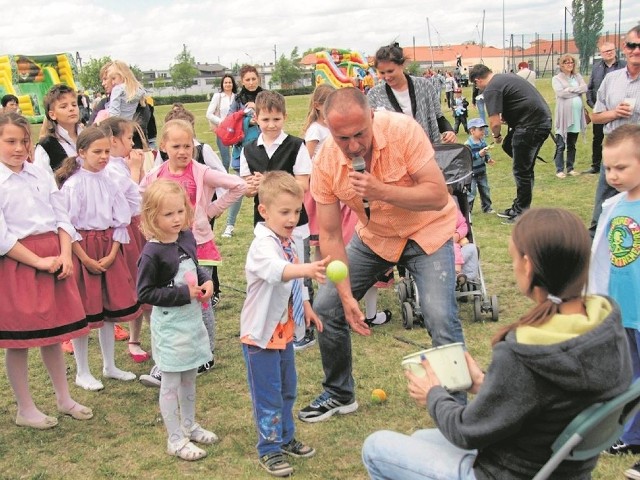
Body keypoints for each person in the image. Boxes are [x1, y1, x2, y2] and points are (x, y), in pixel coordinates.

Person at [362, 207, 632, 480]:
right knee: (421, 438)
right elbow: (544, 399)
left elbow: (465, 431)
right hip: (560, 469)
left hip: (504, 472)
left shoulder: (525, 352)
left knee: (376, 447)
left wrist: (433, 393)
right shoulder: (605, 323)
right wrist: (484, 382)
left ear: (528, 265)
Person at [298, 87, 465, 423]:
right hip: (377, 237)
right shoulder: (327, 160)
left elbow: (436, 195)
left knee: (439, 316)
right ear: (328, 129)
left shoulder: (403, 130)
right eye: (342, 137)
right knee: (328, 306)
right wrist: (345, 295)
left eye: (360, 133)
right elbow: (330, 234)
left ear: (371, 116)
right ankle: (339, 394)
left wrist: (381, 190)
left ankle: (457, 411)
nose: (354, 144)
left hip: (427, 231)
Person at [0, 112, 93, 429]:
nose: (18, 148)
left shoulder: (40, 173)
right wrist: (39, 262)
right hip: (20, 262)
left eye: (23, 141)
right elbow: (2, 237)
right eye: (10, 141)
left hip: (55, 258)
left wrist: (66, 254)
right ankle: (25, 409)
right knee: (20, 340)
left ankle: (64, 398)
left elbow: (62, 217)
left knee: (54, 335)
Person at [138, 119, 246, 387]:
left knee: (202, 299)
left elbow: (238, 185)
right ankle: (175, 355)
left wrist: (210, 211)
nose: (183, 151)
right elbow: (141, 197)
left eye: (188, 145)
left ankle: (206, 353)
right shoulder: (155, 176)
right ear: (163, 146)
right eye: (176, 146)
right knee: (175, 302)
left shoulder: (201, 172)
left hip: (198, 246)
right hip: (166, 248)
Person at [240, 171, 326, 477]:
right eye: (285, 212)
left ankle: (286, 438)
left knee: (288, 388)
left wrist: (306, 306)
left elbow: (294, 283)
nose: (293, 218)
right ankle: (269, 449)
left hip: (283, 332)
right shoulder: (263, 246)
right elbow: (281, 271)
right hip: (260, 336)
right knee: (268, 394)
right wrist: (307, 268)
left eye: (297, 211)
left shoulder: (289, 242)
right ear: (264, 211)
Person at [136, 179, 218, 461]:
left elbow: (195, 268)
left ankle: (189, 425)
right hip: (170, 327)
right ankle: (175, 439)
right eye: (168, 214)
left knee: (190, 377)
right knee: (170, 383)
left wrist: (206, 283)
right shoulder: (152, 252)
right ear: (151, 216)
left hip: (192, 321)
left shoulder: (185, 238)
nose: (176, 219)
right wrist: (183, 293)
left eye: (179, 211)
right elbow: (145, 292)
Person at [56, 127, 142, 392]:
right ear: (81, 152)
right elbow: (67, 226)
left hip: (108, 248)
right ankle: (82, 371)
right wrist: (85, 259)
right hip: (84, 249)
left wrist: (114, 252)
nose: (104, 157)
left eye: (107, 151)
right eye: (97, 152)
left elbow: (121, 219)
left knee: (109, 309)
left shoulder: (110, 181)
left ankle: (110, 365)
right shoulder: (74, 185)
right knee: (85, 311)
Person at [239, 90, 314, 348]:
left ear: (284, 117)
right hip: (265, 223)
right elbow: (247, 188)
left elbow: (303, 183)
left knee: (300, 273)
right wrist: (252, 187)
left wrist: (269, 181)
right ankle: (279, 326)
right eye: (266, 119)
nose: (271, 125)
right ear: (256, 119)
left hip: (296, 221)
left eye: (276, 119)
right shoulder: (248, 150)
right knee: (274, 272)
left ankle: (303, 330)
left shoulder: (296, 145)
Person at [588, 124, 640, 478]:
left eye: (622, 168)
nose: (613, 175)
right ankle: (631, 434)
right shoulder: (615, 206)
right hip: (624, 311)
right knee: (629, 377)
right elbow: (603, 258)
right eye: (608, 168)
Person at [469, 64, 551, 224]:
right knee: (511, 148)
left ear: (478, 80)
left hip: (530, 126)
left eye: (476, 84)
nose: (477, 87)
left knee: (522, 171)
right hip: (538, 121)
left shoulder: (491, 88)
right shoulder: (505, 77)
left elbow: (494, 121)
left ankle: (521, 212)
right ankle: (519, 205)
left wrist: (496, 135)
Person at [101, 116, 150, 363]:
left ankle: (138, 338)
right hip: (127, 229)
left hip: (138, 225)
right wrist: (134, 170)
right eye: (129, 138)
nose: (132, 143)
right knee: (138, 285)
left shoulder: (121, 163)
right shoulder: (110, 168)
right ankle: (135, 339)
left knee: (145, 284)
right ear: (113, 140)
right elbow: (128, 197)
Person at [589, 26, 640, 238]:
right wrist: (614, 113)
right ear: (624, 48)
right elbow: (596, 116)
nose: (636, 50)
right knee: (602, 208)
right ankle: (593, 252)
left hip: (637, 155)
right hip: (613, 155)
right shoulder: (611, 79)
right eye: (632, 45)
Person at [366, 43, 456, 145]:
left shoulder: (424, 86)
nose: (386, 77)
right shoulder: (374, 95)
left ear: (402, 65)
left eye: (390, 71)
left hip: (426, 150)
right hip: (395, 154)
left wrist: (449, 131)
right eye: (382, 73)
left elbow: (438, 117)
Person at [222, 65, 263, 239]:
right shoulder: (238, 100)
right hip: (243, 150)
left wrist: (259, 108)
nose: (251, 82)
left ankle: (265, 225)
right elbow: (229, 123)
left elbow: (277, 117)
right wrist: (247, 121)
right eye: (248, 79)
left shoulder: (266, 97)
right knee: (240, 188)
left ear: (259, 79)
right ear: (242, 81)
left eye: (254, 79)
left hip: (263, 149)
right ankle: (230, 225)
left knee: (265, 188)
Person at [585, 42, 626, 175]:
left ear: (615, 51)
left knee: (621, 137)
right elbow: (590, 88)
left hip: (620, 111)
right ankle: (596, 165)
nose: (609, 53)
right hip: (601, 111)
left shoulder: (625, 66)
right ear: (601, 54)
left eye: (611, 50)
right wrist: (594, 105)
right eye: (605, 51)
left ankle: (622, 163)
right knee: (598, 138)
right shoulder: (596, 68)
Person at [552, 53, 588, 179]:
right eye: (567, 62)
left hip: (576, 116)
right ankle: (559, 169)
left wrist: (570, 89)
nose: (570, 65)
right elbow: (561, 94)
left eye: (571, 62)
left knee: (572, 144)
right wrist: (575, 91)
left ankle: (570, 167)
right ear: (561, 65)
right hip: (564, 116)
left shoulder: (577, 76)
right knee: (561, 144)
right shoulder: (556, 78)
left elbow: (584, 88)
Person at [33, 84, 82, 174]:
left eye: (74, 105)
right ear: (52, 114)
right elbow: (42, 179)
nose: (71, 109)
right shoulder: (47, 146)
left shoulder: (88, 136)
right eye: (63, 106)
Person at [206, 74, 237, 173]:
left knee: (238, 157)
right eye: (225, 82)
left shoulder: (237, 97)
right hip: (223, 131)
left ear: (233, 84)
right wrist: (221, 122)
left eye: (230, 82)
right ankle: (224, 180)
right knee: (226, 159)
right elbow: (209, 114)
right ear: (222, 84)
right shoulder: (218, 96)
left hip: (236, 131)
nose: (228, 84)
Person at [465, 118, 494, 214]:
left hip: (482, 172)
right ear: (472, 131)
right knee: (471, 192)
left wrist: (488, 159)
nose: (483, 131)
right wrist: (478, 154)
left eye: (483, 129)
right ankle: (468, 210)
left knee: (485, 190)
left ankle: (487, 208)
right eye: (480, 129)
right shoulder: (468, 145)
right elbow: (467, 158)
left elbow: (485, 153)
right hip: (472, 174)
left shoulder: (483, 142)